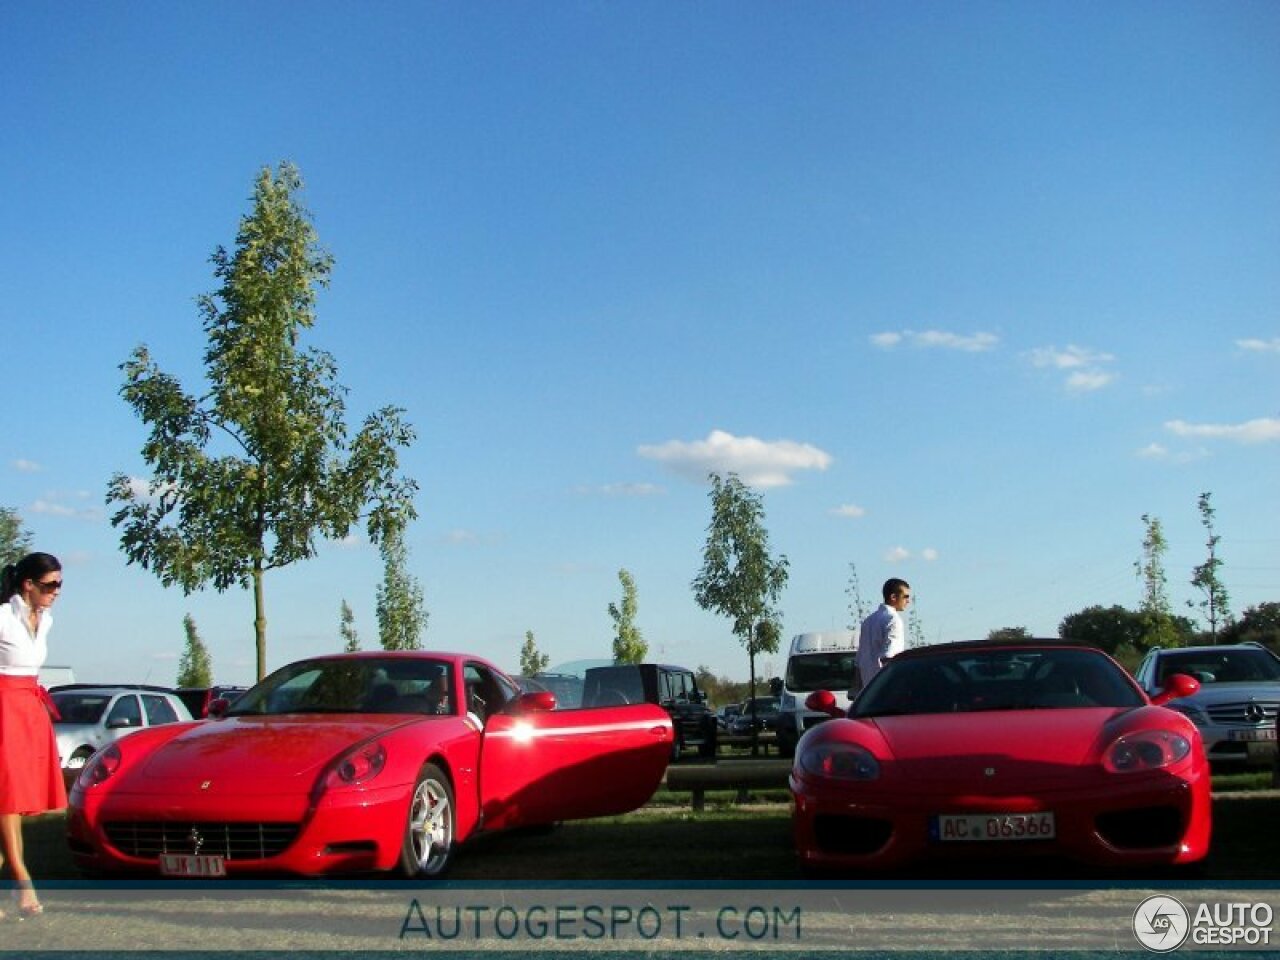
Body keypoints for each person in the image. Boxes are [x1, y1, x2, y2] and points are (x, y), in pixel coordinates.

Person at [0, 552, 68, 919]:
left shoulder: (46, 621)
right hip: (3, 708)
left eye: (60, 584)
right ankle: (22, 880)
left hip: (29, 710)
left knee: (17, 799)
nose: (56, 591)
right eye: (50, 585)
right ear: (28, 584)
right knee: (6, 799)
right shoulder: (1, 619)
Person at [857, 578, 911, 689]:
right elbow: (890, 656)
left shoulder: (868, 621)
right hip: (887, 685)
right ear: (893, 597)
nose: (908, 601)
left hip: (868, 690)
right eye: (905, 596)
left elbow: (860, 658)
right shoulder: (893, 620)